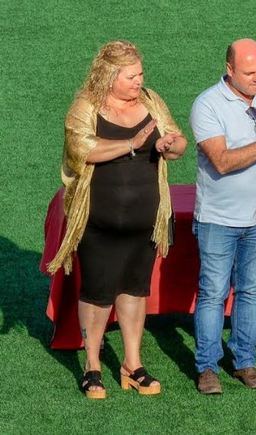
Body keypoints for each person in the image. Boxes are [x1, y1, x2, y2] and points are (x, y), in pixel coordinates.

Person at [47, 40, 187, 399]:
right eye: (131, 76)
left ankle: (132, 363)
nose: (139, 81)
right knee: (97, 293)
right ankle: (92, 366)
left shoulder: (152, 101)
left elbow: (179, 141)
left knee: (135, 290)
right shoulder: (86, 106)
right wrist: (131, 143)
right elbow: (82, 150)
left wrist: (169, 144)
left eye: (140, 73)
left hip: (144, 220)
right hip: (99, 222)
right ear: (109, 76)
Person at [189, 39, 256, 394]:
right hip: (218, 219)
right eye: (250, 72)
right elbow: (221, 160)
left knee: (250, 291)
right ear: (230, 69)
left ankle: (245, 361)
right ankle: (207, 366)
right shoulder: (207, 105)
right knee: (213, 293)